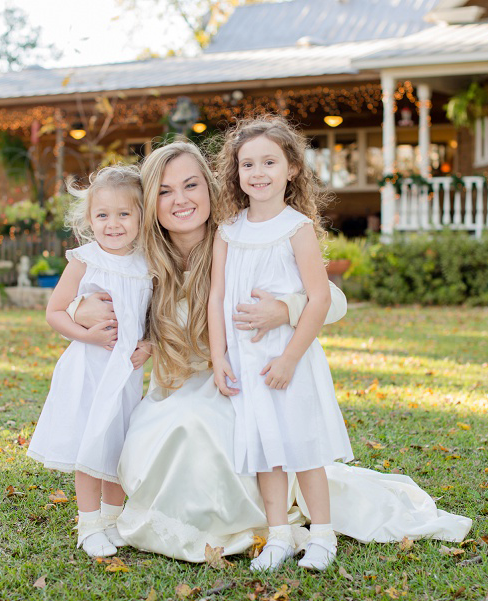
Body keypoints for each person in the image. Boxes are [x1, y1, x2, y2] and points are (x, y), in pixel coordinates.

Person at [71, 139, 472, 565]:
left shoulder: (240, 238)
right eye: (165, 191)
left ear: (210, 188)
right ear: (150, 200)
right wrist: (81, 308)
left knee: (197, 427)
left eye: (191, 185)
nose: (180, 200)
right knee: (169, 424)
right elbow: (89, 291)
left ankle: (256, 524)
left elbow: (331, 301)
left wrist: (285, 309)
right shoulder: (141, 254)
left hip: (238, 379)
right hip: (173, 385)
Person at [209, 116, 353, 571]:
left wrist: (291, 358)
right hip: (246, 362)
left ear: (291, 168)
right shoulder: (228, 230)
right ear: (236, 172)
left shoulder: (297, 228)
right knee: (265, 451)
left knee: (302, 446)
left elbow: (319, 298)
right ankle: (279, 536)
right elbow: (215, 297)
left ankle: (323, 535)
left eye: (269, 161)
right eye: (247, 163)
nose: (257, 172)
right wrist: (218, 356)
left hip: (289, 361)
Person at [26, 165, 153, 558]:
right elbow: (55, 312)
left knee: (116, 446)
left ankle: (114, 520)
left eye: (124, 214)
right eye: (102, 215)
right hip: (88, 368)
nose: (112, 224)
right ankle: (89, 524)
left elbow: (154, 318)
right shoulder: (86, 260)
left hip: (126, 373)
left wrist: (147, 347)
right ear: (88, 219)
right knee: (90, 445)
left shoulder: (149, 263)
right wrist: (87, 335)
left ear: (141, 217)